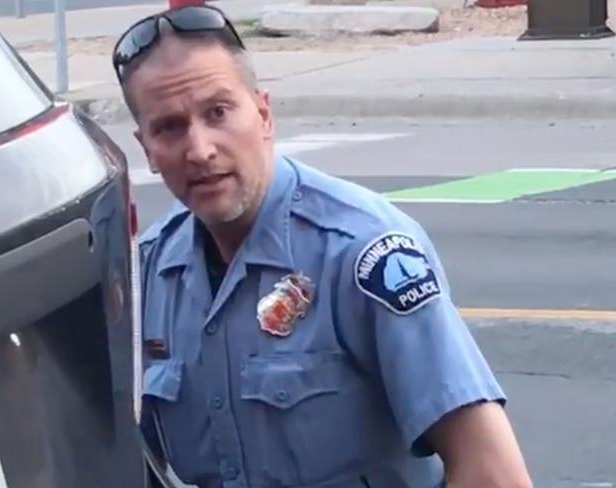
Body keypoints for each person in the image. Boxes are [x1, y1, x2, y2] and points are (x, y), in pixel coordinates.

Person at [112, 5, 533, 488]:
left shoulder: (362, 251)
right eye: (169, 127)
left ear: (264, 114)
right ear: (146, 148)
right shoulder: (149, 276)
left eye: (218, 112)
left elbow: (493, 473)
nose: (201, 149)